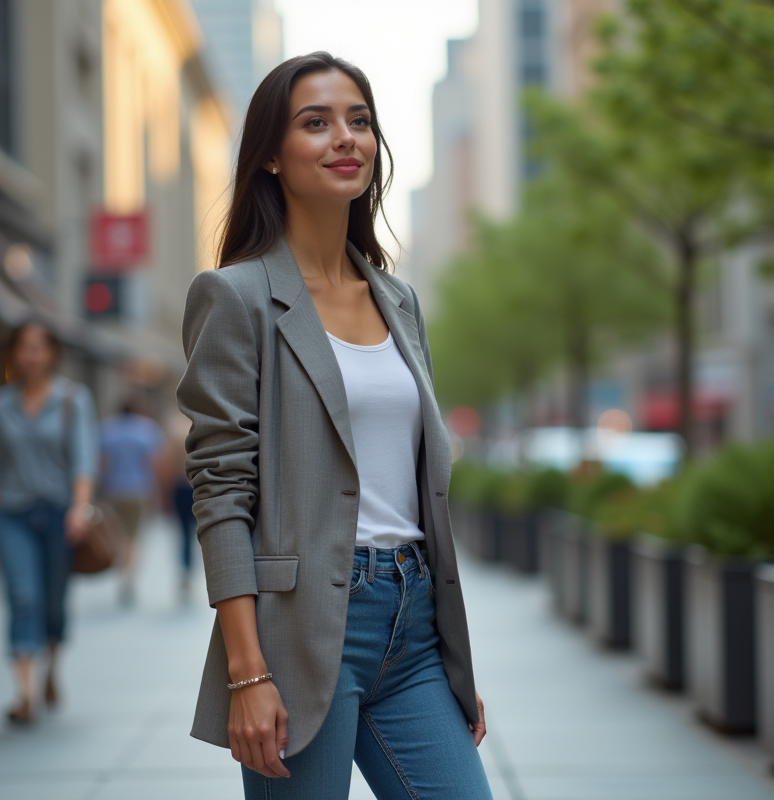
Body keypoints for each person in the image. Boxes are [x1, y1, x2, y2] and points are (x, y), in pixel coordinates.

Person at [177, 53, 492, 799]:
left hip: (411, 628)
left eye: (359, 121)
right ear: (272, 158)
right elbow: (221, 492)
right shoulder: (236, 298)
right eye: (315, 123)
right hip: (301, 630)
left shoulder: (399, 301)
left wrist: (452, 657)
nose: (344, 138)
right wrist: (246, 671)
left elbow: (416, 488)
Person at [0, 320, 98, 726]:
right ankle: (24, 692)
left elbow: (84, 460)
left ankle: (51, 669)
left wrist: (79, 509)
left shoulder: (72, 400)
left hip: (59, 514)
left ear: (52, 353)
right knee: (22, 595)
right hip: (12, 514)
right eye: (24, 347)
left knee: (53, 601)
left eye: (38, 347)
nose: (31, 355)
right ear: (13, 353)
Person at [98, 400, 165, 607]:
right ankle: (129, 576)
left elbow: (102, 463)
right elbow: (154, 463)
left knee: (117, 535)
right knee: (134, 538)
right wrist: (157, 492)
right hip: (138, 490)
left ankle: (122, 571)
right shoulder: (146, 430)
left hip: (114, 490)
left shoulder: (106, 430)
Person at [162, 413, 200, 604]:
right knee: (201, 533)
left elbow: (167, 466)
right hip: (197, 487)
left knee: (184, 534)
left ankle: (186, 571)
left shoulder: (175, 432)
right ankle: (193, 571)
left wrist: (165, 493)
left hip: (180, 487)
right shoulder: (201, 428)